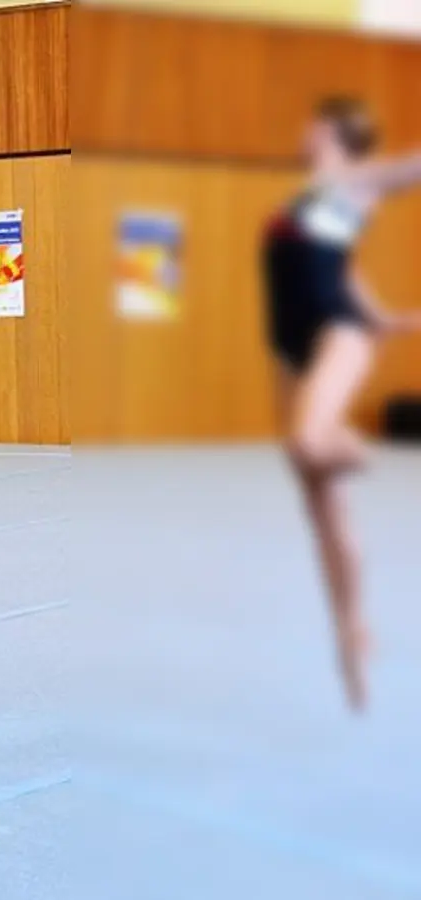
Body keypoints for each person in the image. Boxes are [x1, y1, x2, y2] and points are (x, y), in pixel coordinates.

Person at [262, 96, 421, 712]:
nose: (300, 131)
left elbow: (410, 166)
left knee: (312, 443)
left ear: (325, 130)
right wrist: (390, 318)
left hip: (336, 335)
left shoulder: (353, 179)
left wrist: (368, 323)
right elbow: (342, 266)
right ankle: (350, 629)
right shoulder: (316, 198)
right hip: (293, 351)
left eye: (308, 122)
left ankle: (359, 452)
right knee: (322, 508)